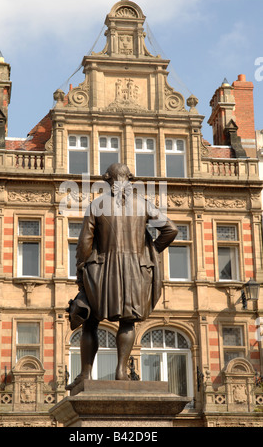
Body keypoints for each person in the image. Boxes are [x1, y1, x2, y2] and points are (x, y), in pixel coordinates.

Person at [66, 163, 178, 390]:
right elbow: (171, 229)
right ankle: (121, 371)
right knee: (128, 320)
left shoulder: (97, 205)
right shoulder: (143, 206)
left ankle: (85, 374)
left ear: (107, 179)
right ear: (130, 179)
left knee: (90, 321)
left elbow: (85, 242)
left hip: (101, 271)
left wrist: (80, 268)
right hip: (136, 271)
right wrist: (152, 250)